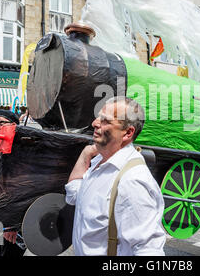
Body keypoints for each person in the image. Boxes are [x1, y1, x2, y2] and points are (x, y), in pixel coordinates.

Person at [65, 96, 165, 255]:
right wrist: (86, 154)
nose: (95, 123)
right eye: (99, 117)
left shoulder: (132, 181)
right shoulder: (100, 161)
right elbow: (73, 194)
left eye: (105, 121)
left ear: (127, 133)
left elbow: (148, 249)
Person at [0, 109, 26, 257]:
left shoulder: (22, 150)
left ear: (13, 125)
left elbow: (23, 188)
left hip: (11, 220)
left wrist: (13, 224)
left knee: (10, 253)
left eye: (0, 122)